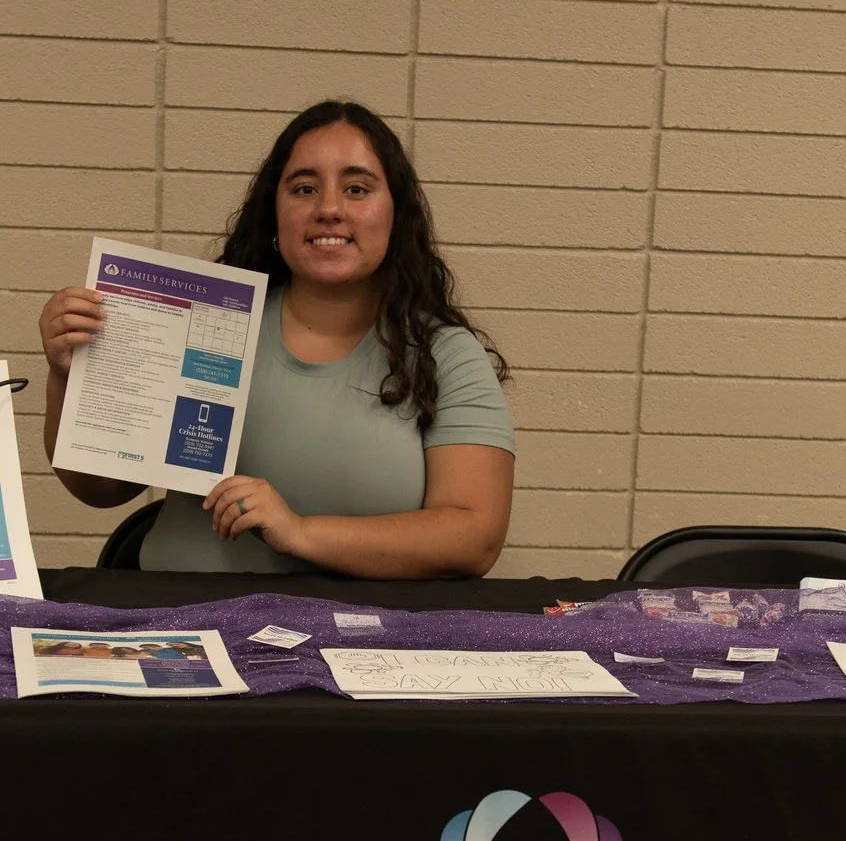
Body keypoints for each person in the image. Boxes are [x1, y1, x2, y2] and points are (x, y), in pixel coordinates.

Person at [37, 100, 515, 577]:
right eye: (304, 188)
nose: (329, 209)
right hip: (177, 624)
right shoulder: (204, 325)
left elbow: (473, 538)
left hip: (359, 641)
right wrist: (68, 374)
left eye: (357, 188)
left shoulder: (444, 355)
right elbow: (99, 489)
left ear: (397, 213)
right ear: (275, 211)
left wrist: (301, 532)